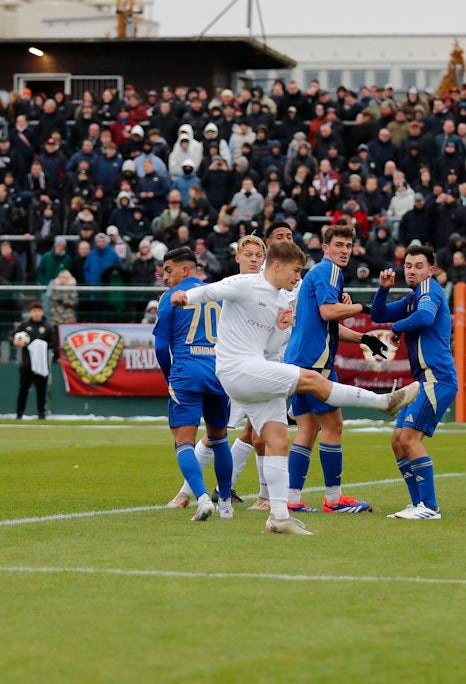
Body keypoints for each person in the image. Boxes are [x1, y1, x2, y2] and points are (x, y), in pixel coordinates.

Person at [172, 240, 419, 535]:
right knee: (312, 380)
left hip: (252, 371)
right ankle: (383, 402)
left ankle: (278, 516)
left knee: (278, 439)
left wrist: (282, 327)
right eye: (295, 270)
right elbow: (211, 290)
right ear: (277, 265)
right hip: (236, 368)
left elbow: (271, 346)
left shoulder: (279, 300)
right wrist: (185, 296)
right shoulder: (245, 283)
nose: (297, 277)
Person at [283, 224, 385, 514]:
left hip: (299, 360)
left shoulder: (317, 274)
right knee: (333, 426)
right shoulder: (330, 272)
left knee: (307, 429)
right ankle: (334, 499)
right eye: (338, 245)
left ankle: (292, 499)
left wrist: (364, 337)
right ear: (325, 248)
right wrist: (364, 309)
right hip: (315, 363)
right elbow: (328, 312)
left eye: (348, 246)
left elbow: (326, 323)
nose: (344, 251)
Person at [370, 245, 459, 519]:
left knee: (408, 437)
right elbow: (378, 315)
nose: (412, 270)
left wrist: (396, 329)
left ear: (431, 270)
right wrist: (383, 289)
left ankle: (430, 507)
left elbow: (426, 317)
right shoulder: (413, 298)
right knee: (398, 440)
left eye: (418, 266)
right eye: (408, 265)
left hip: (437, 376)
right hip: (424, 378)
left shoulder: (429, 289)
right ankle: (418, 503)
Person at [153, 247, 236, 522]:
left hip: (187, 373)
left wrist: (169, 376)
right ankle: (225, 503)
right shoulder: (219, 296)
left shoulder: (171, 299)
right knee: (219, 438)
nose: (165, 277)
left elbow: (161, 345)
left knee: (184, 441)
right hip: (218, 373)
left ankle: (201, 498)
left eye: (168, 270)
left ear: (185, 269)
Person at [12, 300, 56, 420]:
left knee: (41, 390)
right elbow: (15, 337)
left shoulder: (47, 326)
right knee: (23, 388)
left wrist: (41, 344)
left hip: (41, 364)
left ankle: (42, 414)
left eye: (39, 311)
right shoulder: (25, 325)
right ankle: (19, 413)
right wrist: (16, 342)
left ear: (42, 312)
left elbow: (54, 342)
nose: (36, 313)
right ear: (31, 312)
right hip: (27, 363)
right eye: (34, 311)